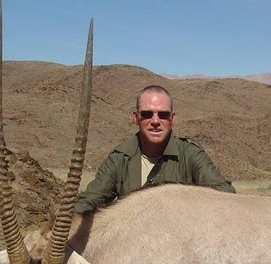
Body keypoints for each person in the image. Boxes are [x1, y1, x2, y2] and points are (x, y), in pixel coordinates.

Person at [75, 85, 235, 213]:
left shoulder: (190, 154)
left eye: (163, 115)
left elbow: (225, 194)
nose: (155, 121)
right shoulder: (119, 158)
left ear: (172, 119)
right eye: (147, 114)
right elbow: (90, 200)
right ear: (135, 117)